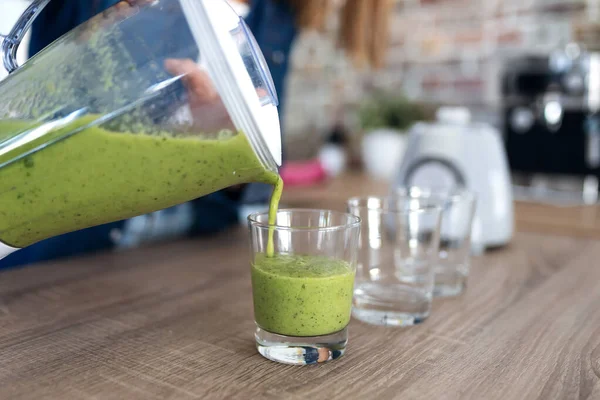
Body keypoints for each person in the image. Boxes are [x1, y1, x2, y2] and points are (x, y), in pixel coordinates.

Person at [1, 0, 391, 268]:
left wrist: (216, 139)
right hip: (52, 255)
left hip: (166, 257)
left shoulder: (277, 15)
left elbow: (260, 176)